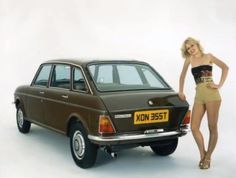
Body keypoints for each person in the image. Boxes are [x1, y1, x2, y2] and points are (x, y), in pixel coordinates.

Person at [178, 37, 229, 169]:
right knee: (194, 127)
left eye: (192, 46)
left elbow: (225, 68)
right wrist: (181, 91)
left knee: (212, 127)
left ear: (197, 45)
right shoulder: (189, 60)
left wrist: (219, 85)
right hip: (199, 96)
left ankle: (208, 157)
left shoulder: (209, 56)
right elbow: (182, 75)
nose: (191, 49)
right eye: (188, 48)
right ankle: (202, 155)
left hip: (212, 95)